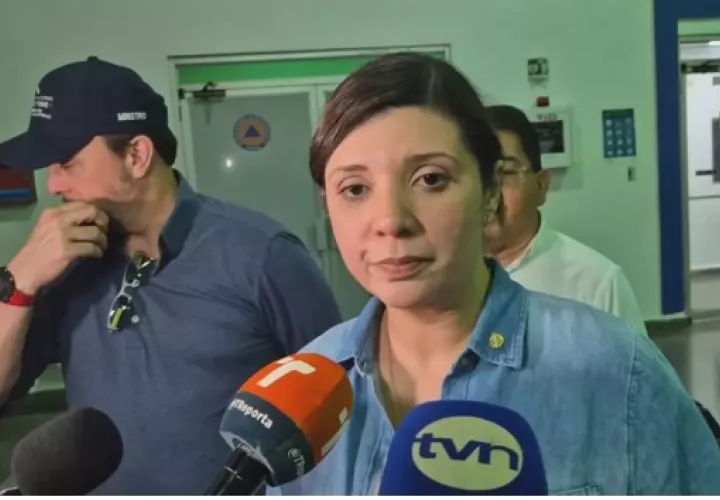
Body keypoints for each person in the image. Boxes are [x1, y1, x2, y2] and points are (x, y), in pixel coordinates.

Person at [267, 52, 720, 495]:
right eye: (355, 189)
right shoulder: (299, 394)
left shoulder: (616, 371)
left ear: (489, 192)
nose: (390, 220)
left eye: (430, 179)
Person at [0, 57, 341, 494]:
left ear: (137, 155)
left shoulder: (264, 257)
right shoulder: (65, 263)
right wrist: (20, 279)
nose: (53, 185)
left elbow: (338, 405)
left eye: (66, 162)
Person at [483, 105, 647, 333]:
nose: (488, 191)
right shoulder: (446, 280)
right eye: (478, 174)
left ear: (541, 186)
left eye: (506, 173)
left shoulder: (598, 284)